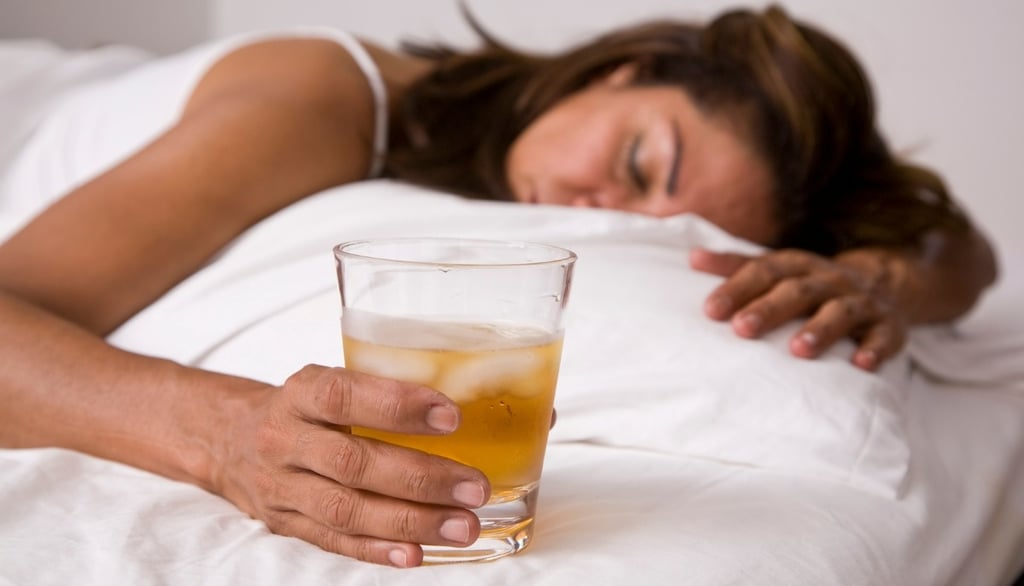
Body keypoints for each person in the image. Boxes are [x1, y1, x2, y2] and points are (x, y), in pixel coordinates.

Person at [0, 4, 997, 568]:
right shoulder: (325, 98)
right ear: (624, 68)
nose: (602, 204)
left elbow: (964, 246)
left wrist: (878, 278)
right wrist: (222, 440)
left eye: (652, 222)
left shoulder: (519, 192)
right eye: (642, 161)